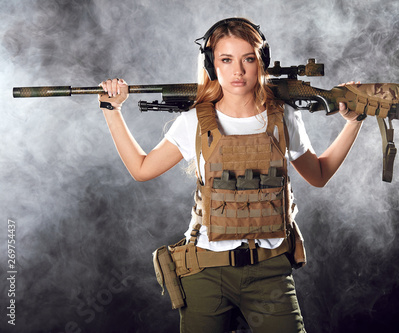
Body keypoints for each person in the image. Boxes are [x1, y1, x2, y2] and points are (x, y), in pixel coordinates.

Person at [98, 17, 363, 333]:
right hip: (206, 272)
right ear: (212, 65)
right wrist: (111, 111)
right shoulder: (195, 119)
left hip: (269, 272)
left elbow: (318, 174)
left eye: (248, 59)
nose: (238, 70)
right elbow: (142, 169)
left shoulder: (283, 115)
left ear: (260, 62)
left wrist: (354, 122)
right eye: (226, 60)